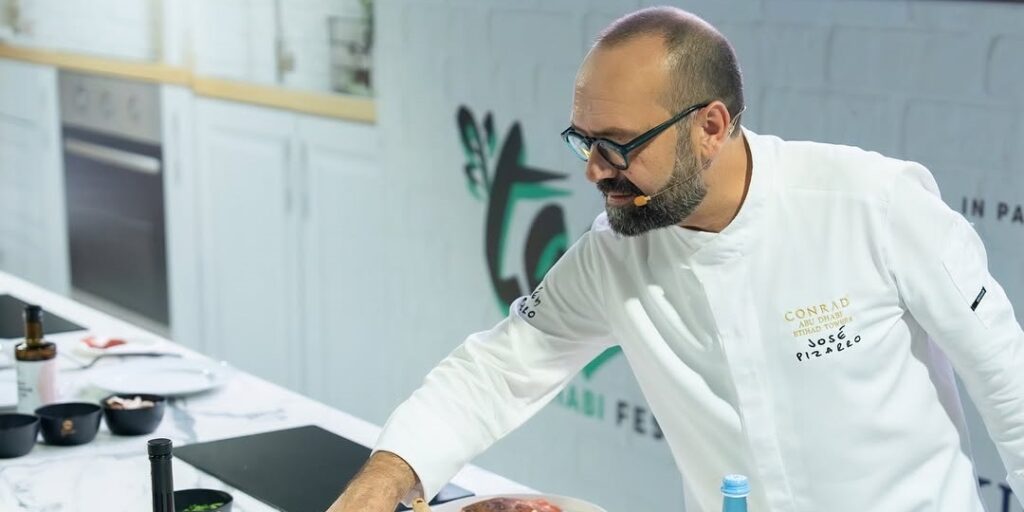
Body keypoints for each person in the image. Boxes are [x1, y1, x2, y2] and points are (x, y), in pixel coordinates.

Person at [328, 6, 1024, 512]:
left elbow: (1009, 387)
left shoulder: (874, 204)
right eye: (584, 141)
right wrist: (387, 476)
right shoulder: (613, 255)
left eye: (619, 145)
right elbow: (496, 371)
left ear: (711, 126)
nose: (595, 170)